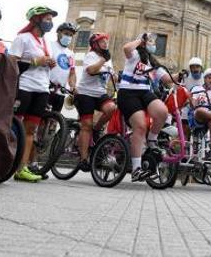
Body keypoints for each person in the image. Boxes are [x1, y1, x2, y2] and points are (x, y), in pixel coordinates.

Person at [9, 6, 59, 182]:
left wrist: (49, 63)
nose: (50, 23)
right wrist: (34, 61)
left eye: (51, 20)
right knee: (15, 125)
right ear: (36, 20)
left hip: (42, 88)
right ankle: (6, 159)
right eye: (47, 19)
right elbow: (11, 62)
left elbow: (44, 63)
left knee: (31, 129)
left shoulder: (46, 43)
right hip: (24, 86)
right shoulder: (23, 38)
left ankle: (21, 168)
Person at [119, 33, 172, 181]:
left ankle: (152, 140)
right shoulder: (134, 54)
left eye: (154, 42)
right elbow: (126, 48)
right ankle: (136, 168)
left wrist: (180, 76)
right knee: (140, 126)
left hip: (144, 92)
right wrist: (140, 40)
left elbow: (167, 79)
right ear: (143, 42)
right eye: (150, 41)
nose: (153, 44)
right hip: (128, 92)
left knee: (162, 111)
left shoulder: (152, 62)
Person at [74, 32, 117, 172]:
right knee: (86, 125)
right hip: (85, 93)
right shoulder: (90, 56)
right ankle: (84, 159)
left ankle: (97, 129)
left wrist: (116, 76)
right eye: (102, 41)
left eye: (106, 41)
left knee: (111, 108)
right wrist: (102, 61)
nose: (105, 43)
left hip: (100, 93)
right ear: (95, 44)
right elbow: (91, 70)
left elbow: (112, 76)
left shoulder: (108, 59)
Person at [188, 68, 211, 133]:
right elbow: (193, 104)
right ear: (204, 79)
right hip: (198, 116)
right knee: (199, 111)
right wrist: (192, 100)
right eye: (209, 78)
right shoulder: (197, 88)